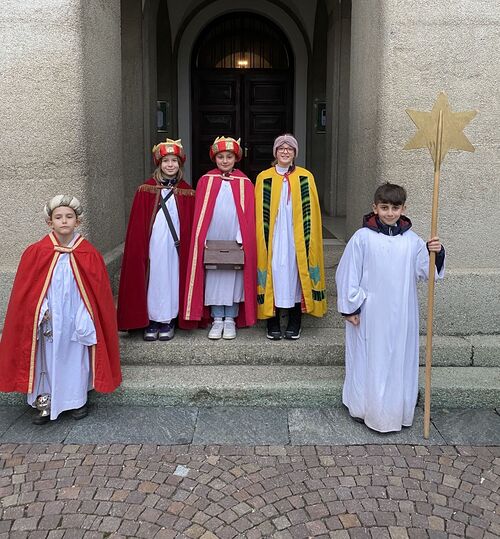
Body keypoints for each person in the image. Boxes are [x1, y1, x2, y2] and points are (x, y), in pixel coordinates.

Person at [0, 195, 121, 424]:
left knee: (75, 356)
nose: (64, 221)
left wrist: (86, 315)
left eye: (69, 217)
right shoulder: (37, 252)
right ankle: (45, 400)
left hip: (76, 316)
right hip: (48, 319)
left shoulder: (88, 253)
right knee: (46, 359)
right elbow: (28, 291)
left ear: (77, 221)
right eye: (58, 217)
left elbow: (97, 293)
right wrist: (41, 309)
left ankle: (76, 400)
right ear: (50, 222)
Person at [335, 182, 445, 433]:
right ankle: (365, 407)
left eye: (395, 208)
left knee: (398, 358)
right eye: (384, 207)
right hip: (370, 313)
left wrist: (435, 253)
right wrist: (350, 307)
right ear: (375, 208)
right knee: (369, 359)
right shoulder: (362, 238)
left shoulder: (412, 241)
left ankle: (396, 410)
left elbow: (426, 272)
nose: (390, 213)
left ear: (403, 209)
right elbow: (348, 272)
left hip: (402, 313)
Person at [117, 138, 201, 340]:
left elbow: (190, 223)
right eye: (166, 161)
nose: (170, 165)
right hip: (153, 244)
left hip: (176, 246)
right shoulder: (145, 190)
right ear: (159, 164)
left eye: (174, 161)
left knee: (172, 278)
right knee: (154, 278)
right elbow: (138, 225)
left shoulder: (187, 192)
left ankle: (168, 319)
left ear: (179, 164)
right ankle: (152, 320)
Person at [255, 134, 327, 340]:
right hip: (273, 236)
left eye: (289, 148)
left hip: (298, 237)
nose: (285, 151)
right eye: (281, 148)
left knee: (297, 273)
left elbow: (313, 212)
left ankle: (295, 321)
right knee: (274, 272)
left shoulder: (305, 177)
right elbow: (257, 211)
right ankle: (272, 321)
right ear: (275, 152)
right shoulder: (264, 177)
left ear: (295, 153)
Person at [184, 136, 257, 339]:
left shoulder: (244, 182)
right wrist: (203, 237)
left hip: (235, 238)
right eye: (221, 157)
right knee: (214, 277)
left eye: (229, 157)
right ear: (214, 158)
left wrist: (242, 237)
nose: (225, 161)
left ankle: (231, 318)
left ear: (236, 158)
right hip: (213, 238)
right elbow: (201, 214)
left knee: (234, 277)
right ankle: (217, 319)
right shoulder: (206, 181)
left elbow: (248, 215)